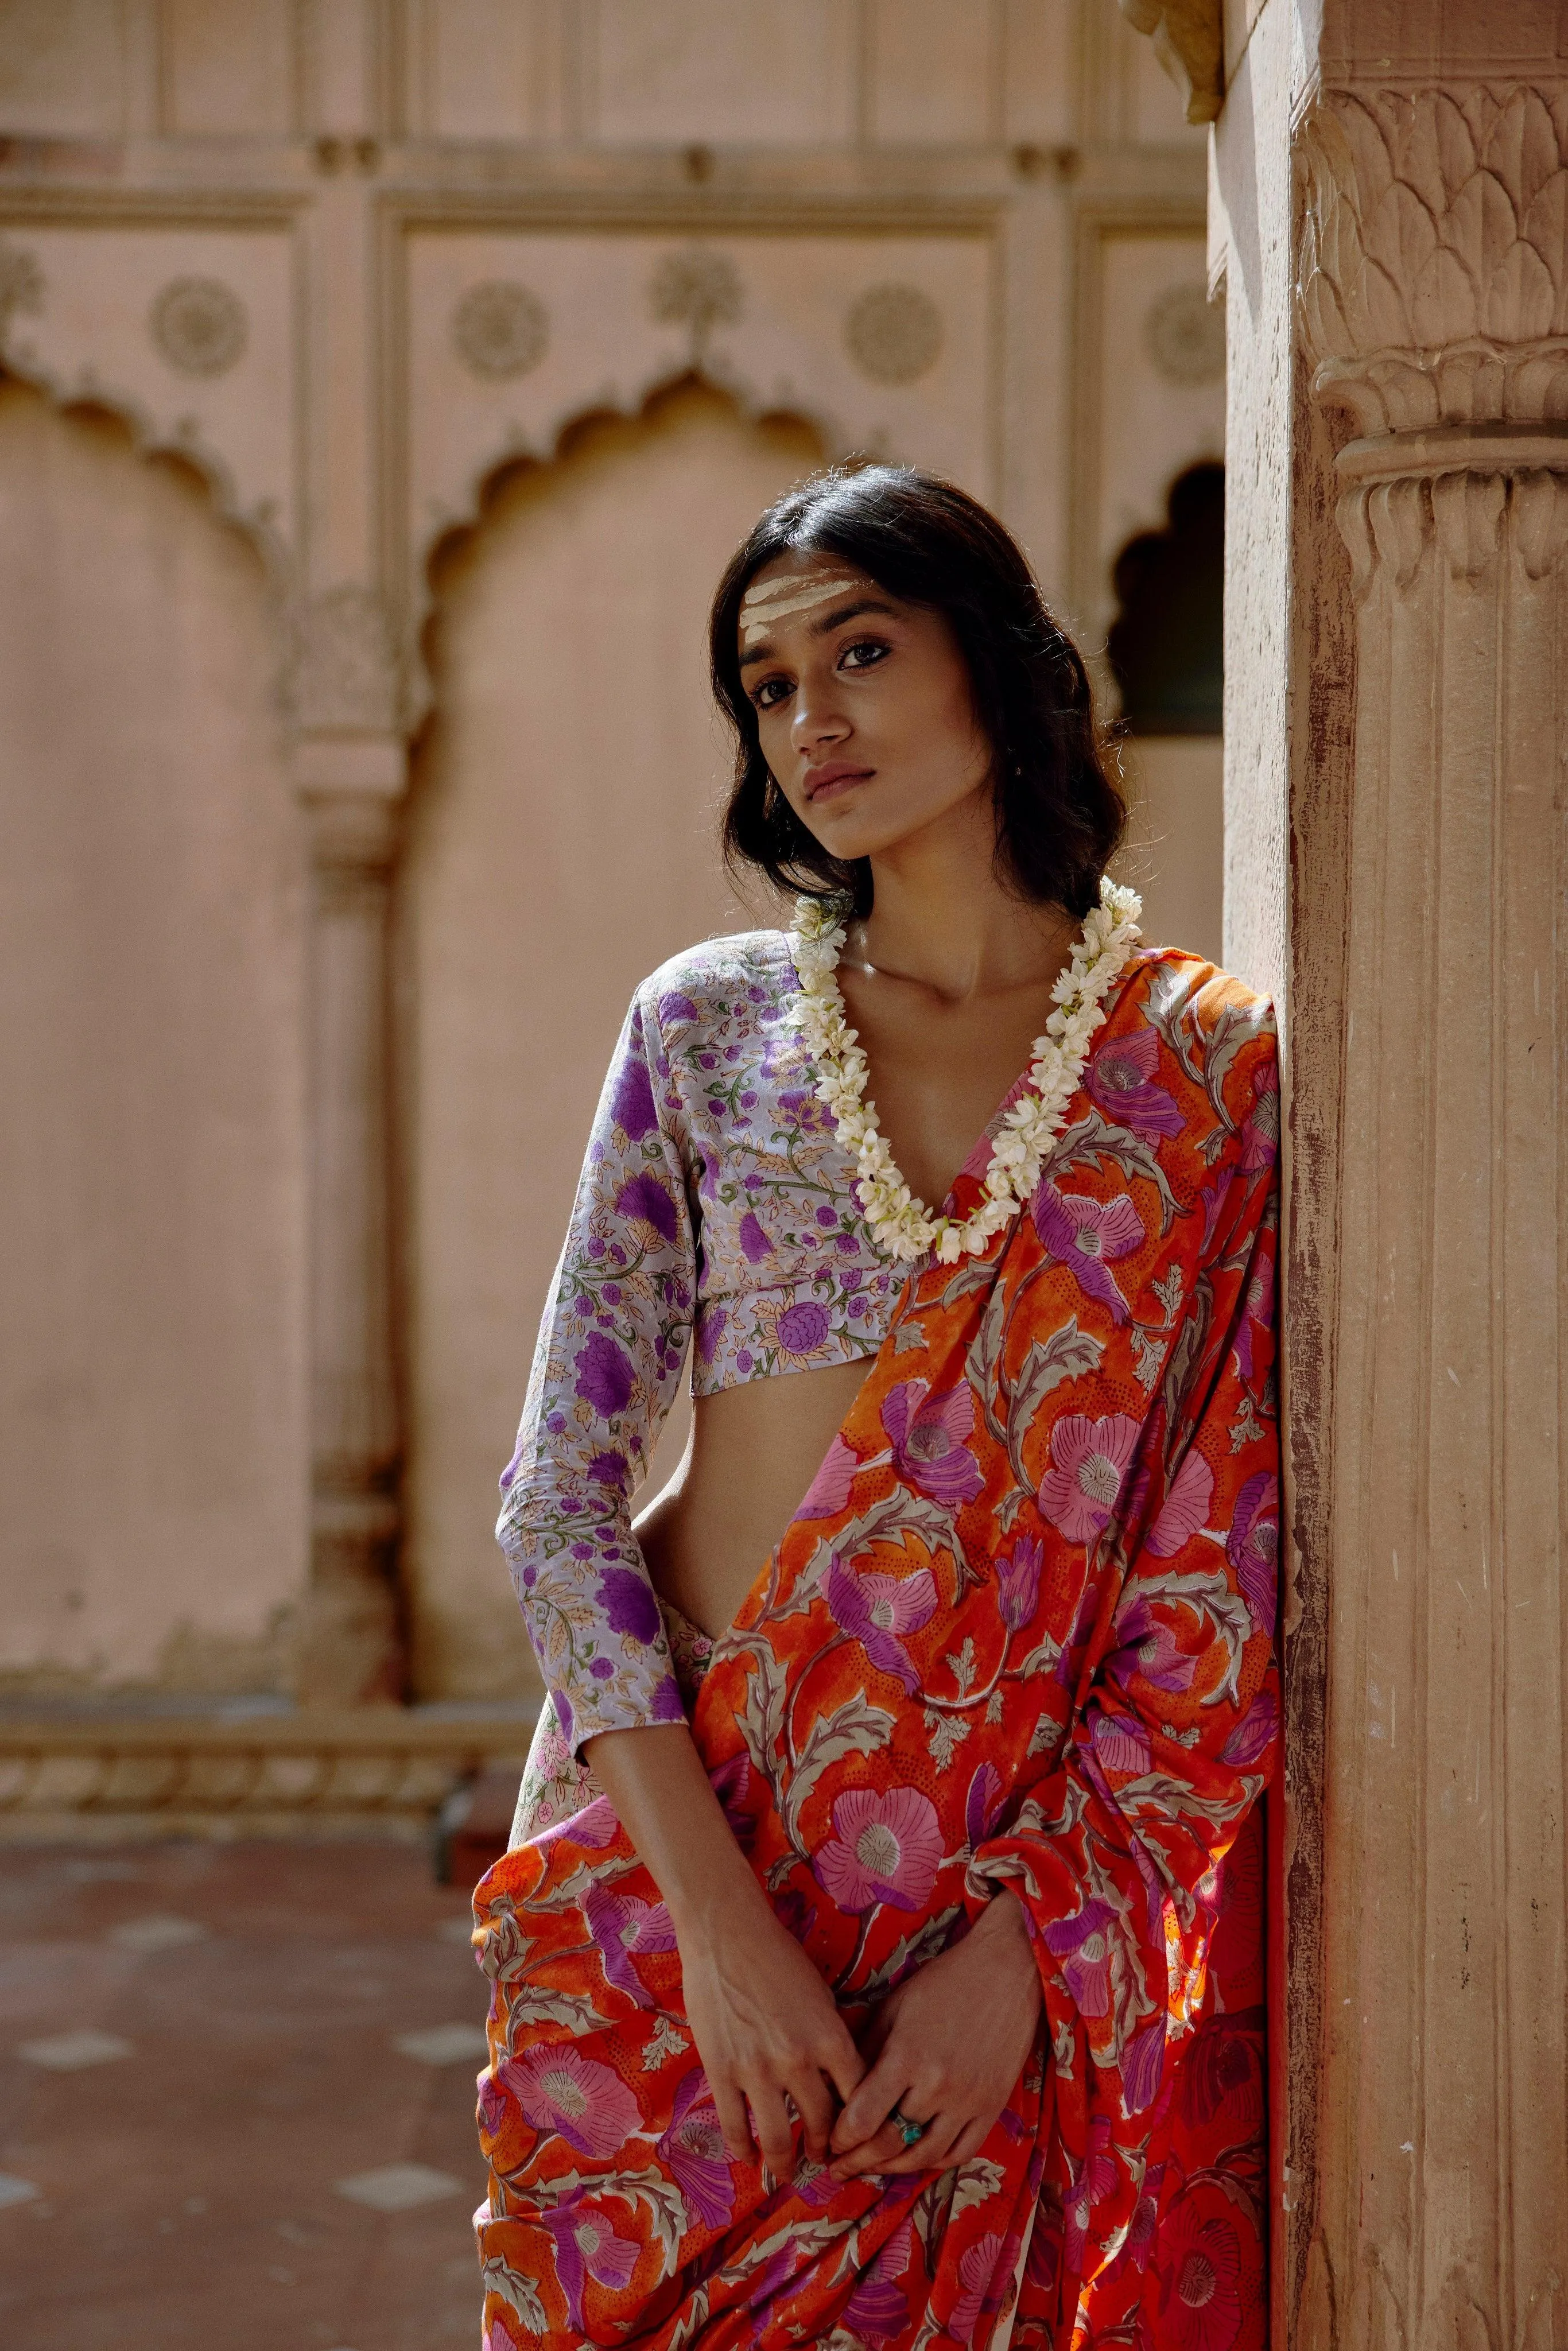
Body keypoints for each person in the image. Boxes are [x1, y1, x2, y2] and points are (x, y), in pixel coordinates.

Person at [473, 465, 1279, 2351]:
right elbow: (559, 1502)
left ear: (994, 668)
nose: (810, 721)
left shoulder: (1201, 1079)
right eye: (765, 687)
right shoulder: (712, 1025)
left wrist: (1025, 1954)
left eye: (858, 650)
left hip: (996, 1926)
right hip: (687, 1859)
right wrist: (719, 1936)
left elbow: (1217, 1588)